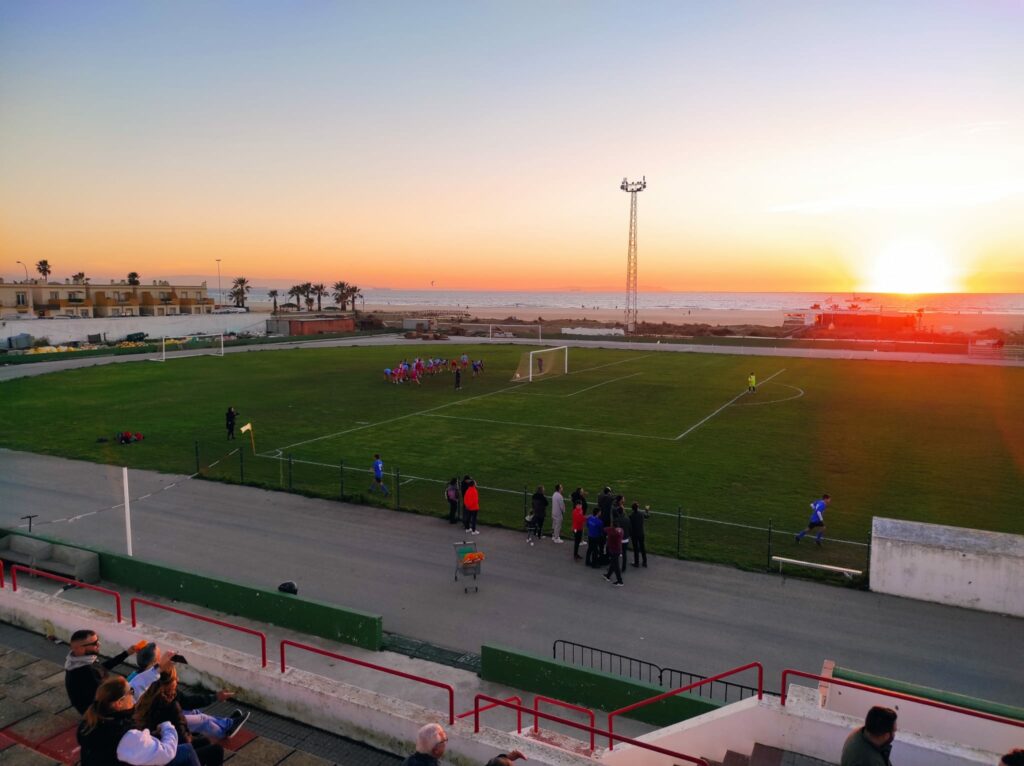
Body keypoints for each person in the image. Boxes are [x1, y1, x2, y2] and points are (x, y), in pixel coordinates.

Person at [129, 643, 247, 742]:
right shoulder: (159, 683)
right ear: (155, 662)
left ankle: (224, 723)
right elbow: (186, 701)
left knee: (194, 712)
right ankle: (225, 729)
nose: (163, 658)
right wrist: (215, 697)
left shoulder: (135, 678)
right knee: (202, 719)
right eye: (160, 656)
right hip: (156, 724)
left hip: (153, 718)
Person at [78, 676, 198, 766]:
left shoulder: (90, 722)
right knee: (187, 751)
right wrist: (167, 727)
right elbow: (166, 753)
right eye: (131, 692)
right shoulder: (123, 734)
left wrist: (157, 668)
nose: (133, 696)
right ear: (119, 703)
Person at [134, 667, 225, 766]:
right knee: (217, 750)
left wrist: (215, 697)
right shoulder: (169, 706)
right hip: (172, 750)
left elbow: (189, 701)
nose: (178, 679)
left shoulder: (148, 697)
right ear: (167, 683)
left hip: (160, 745)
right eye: (175, 678)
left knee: (205, 741)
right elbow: (183, 739)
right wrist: (191, 738)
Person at [65, 630, 150, 715]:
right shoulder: (85, 671)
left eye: (97, 640)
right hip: (97, 711)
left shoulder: (78, 660)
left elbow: (102, 667)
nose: (99, 644)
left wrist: (126, 653)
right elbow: (106, 696)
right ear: (80, 648)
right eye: (94, 643)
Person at [603, 521, 624, 586]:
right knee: (613, 562)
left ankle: (620, 581)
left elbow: (604, 529)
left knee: (616, 566)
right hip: (618, 550)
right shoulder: (621, 530)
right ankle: (608, 576)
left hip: (613, 550)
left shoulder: (611, 530)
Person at [629, 503, 650, 568]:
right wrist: (647, 510)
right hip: (641, 533)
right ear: (637, 507)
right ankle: (645, 562)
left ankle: (636, 563)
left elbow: (630, 525)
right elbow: (647, 516)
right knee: (642, 548)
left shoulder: (631, 515)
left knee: (636, 549)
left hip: (634, 534)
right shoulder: (641, 513)